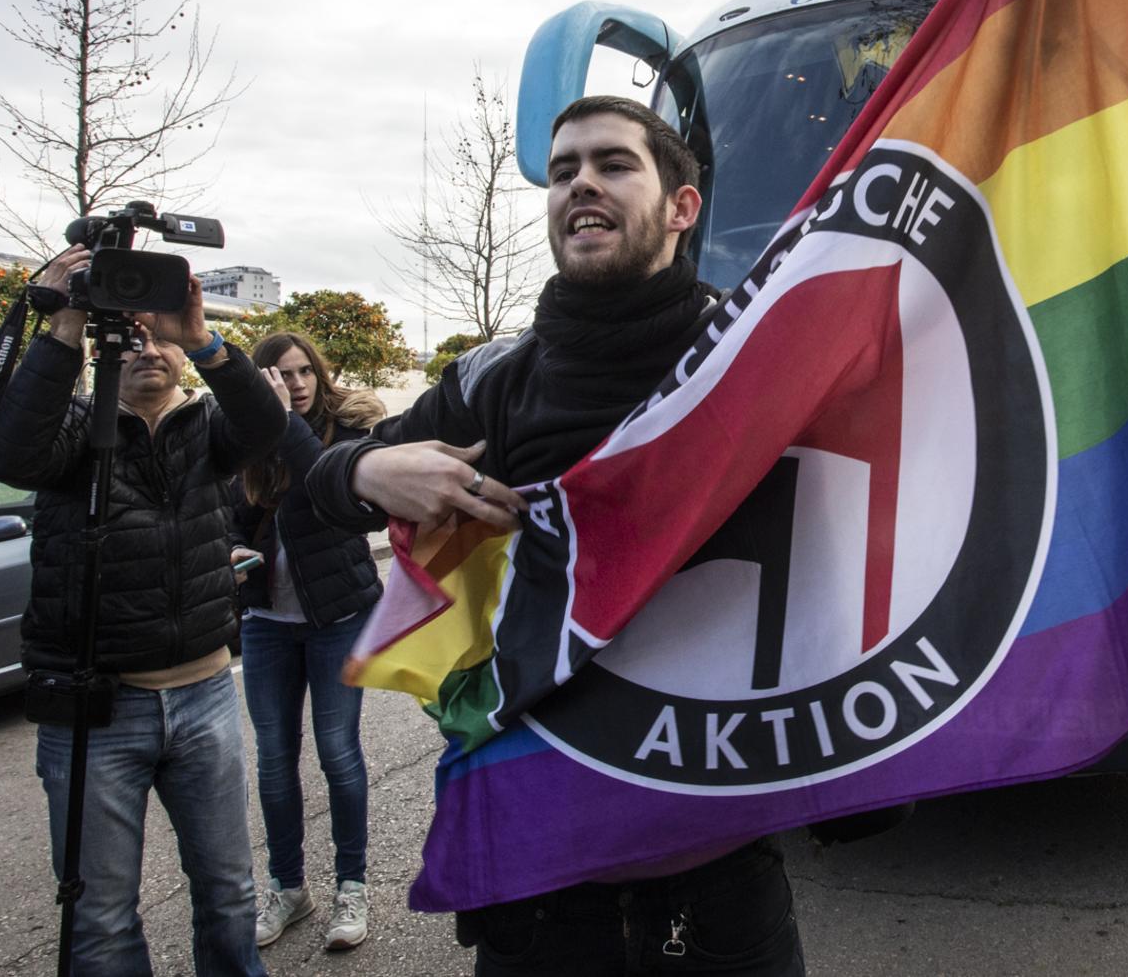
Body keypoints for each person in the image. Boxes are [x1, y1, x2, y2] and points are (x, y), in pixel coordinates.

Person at [310, 96, 806, 976]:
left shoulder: (758, 357)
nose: (581, 182)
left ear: (681, 209)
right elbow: (312, 496)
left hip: (714, 870)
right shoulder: (493, 380)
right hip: (536, 878)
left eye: (614, 164)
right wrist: (365, 470)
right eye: (564, 167)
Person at [0, 247, 285, 976]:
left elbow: (268, 428)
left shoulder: (208, 430)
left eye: (159, 337)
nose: (147, 347)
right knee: (101, 918)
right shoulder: (71, 431)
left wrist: (202, 337)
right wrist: (67, 322)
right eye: (129, 336)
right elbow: (10, 456)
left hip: (206, 694)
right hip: (94, 708)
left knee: (229, 893)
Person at [233, 331, 387, 953]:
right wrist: (231, 550)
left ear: (319, 377)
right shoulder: (246, 442)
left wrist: (277, 423)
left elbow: (354, 503)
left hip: (338, 619)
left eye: (303, 373)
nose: (294, 385)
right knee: (274, 760)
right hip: (268, 623)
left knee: (338, 753)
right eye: (278, 375)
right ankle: (289, 888)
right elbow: (227, 515)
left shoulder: (348, 435)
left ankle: (352, 884)